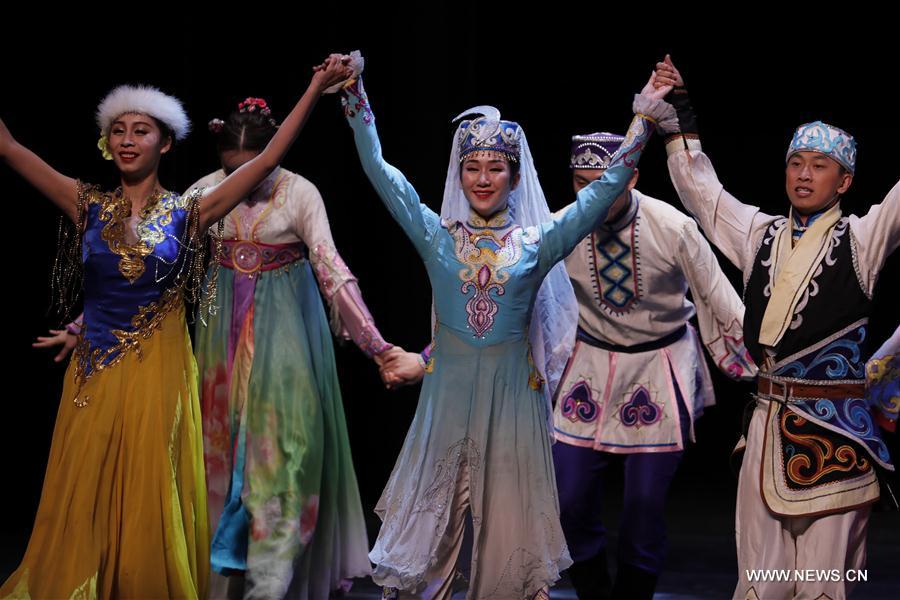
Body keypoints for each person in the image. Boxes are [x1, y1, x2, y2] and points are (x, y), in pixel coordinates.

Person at [0, 55, 353, 599]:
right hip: (96, 369)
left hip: (159, 370)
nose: (126, 139)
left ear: (164, 143)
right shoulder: (87, 205)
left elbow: (266, 162)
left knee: (149, 486)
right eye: (117, 131)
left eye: (140, 130)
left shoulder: (188, 212)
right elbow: (12, 150)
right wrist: (77, 327)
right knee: (85, 483)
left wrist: (313, 87)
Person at [338, 63, 675, 597]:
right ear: (459, 174)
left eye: (496, 168)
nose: (483, 178)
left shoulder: (537, 243)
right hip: (447, 397)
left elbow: (602, 189)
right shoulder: (438, 236)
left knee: (507, 535)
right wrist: (355, 97)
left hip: (512, 399)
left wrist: (644, 116)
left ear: (515, 177)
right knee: (434, 532)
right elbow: (380, 171)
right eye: (472, 167)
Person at [656, 55, 899, 600]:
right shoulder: (759, 233)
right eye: (796, 163)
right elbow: (705, 197)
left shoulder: (862, 240)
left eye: (819, 165)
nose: (805, 175)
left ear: (845, 180)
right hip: (767, 430)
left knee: (821, 586)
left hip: (836, 433)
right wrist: (681, 119)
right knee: (761, 585)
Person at [189, 96, 391, 598]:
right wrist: (95, 322)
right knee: (215, 453)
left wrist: (375, 344)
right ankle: (217, 580)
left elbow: (330, 267)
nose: (244, 181)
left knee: (283, 452)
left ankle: (272, 583)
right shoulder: (206, 192)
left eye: (256, 168)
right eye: (234, 169)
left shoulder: (299, 193)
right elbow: (156, 264)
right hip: (218, 341)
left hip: (283, 342)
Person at [550, 131, 756, 599]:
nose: (593, 196)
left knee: (643, 507)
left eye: (605, 182)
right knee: (569, 497)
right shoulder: (563, 227)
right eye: (581, 183)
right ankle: (593, 591)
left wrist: (763, 360)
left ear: (633, 177)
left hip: (659, 364)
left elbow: (718, 296)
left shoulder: (672, 226)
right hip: (590, 362)